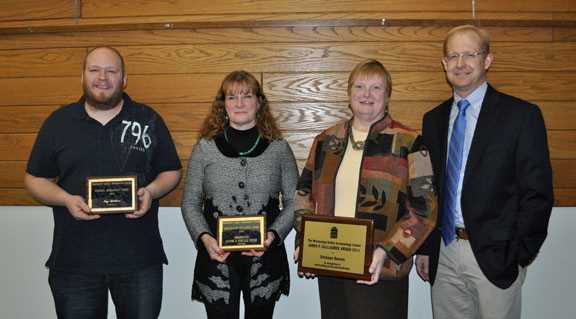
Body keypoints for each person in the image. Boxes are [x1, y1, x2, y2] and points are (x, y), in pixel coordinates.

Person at [24, 46, 182, 319]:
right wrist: (66, 199)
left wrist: (152, 192)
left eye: (111, 71)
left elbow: (172, 171)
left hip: (139, 260)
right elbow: (35, 179)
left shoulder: (148, 119)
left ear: (124, 78)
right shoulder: (59, 122)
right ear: (82, 76)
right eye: (94, 70)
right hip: (74, 262)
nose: (102, 78)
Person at [416, 25, 554, 319]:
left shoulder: (521, 116)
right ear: (443, 64)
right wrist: (426, 248)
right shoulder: (433, 120)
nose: (460, 63)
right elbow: (428, 192)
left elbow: (537, 193)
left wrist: (519, 254)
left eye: (470, 54)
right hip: (445, 251)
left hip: (496, 255)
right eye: (452, 56)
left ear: (488, 60)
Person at [294, 59, 437, 319]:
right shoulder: (327, 140)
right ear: (349, 94)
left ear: (388, 94)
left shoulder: (411, 143)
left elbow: (425, 210)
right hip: (331, 265)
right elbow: (304, 193)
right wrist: (305, 240)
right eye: (359, 86)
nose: (366, 95)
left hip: (381, 269)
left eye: (376, 87)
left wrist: (387, 251)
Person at [181, 70, 298, 319]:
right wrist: (204, 239)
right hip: (216, 256)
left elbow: (293, 201)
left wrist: (272, 236)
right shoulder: (205, 147)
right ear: (223, 105)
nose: (240, 103)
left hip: (265, 257)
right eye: (232, 97)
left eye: (247, 96)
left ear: (259, 102)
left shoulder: (279, 148)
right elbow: (190, 202)